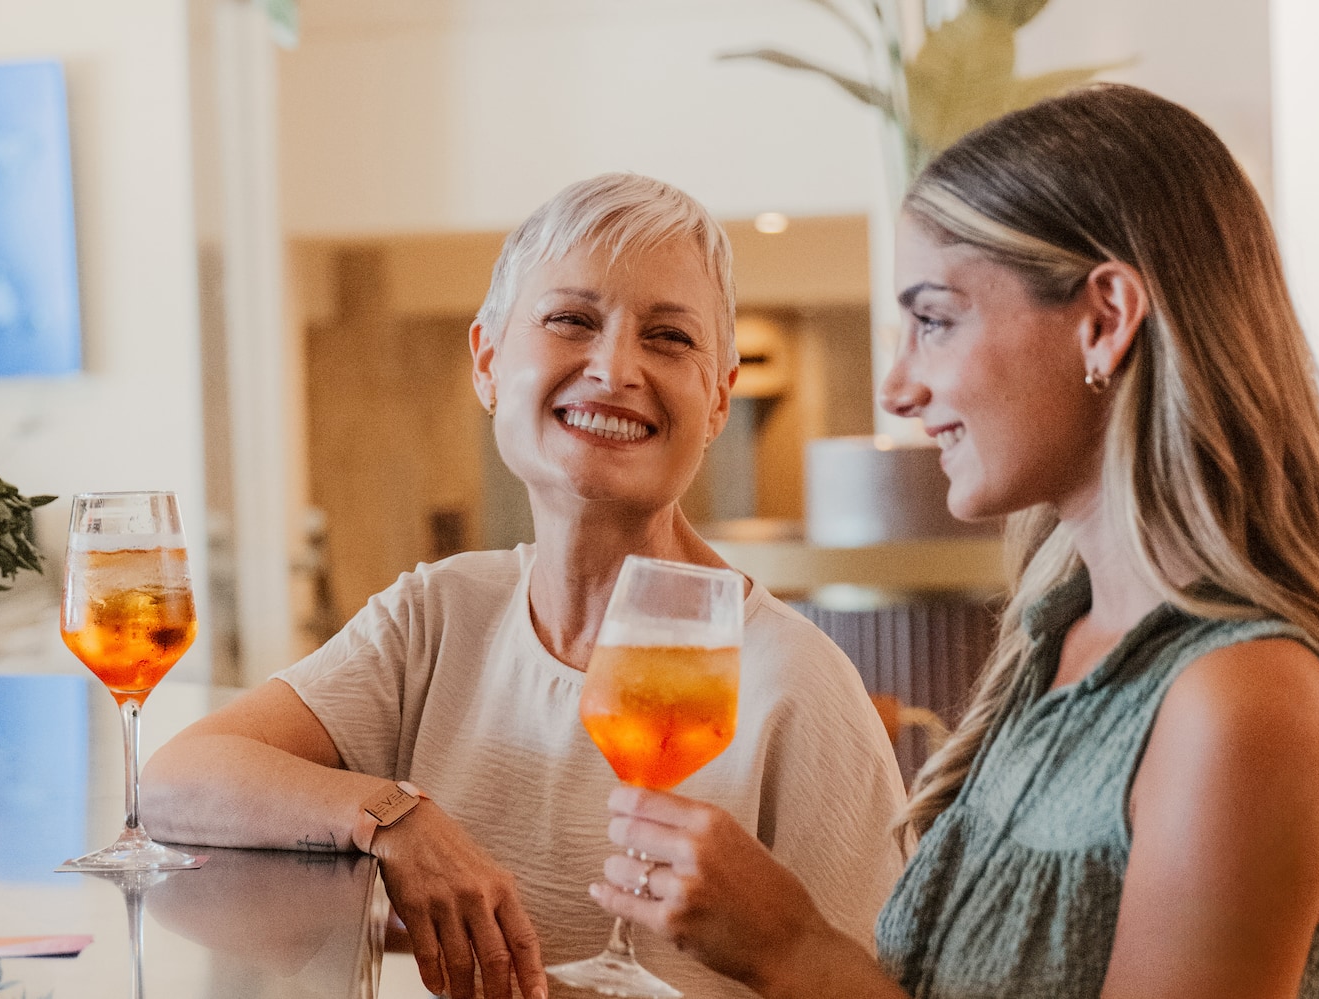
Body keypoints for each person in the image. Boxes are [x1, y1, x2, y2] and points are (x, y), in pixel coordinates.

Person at [588, 85, 1319, 999]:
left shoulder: (1244, 700)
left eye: (934, 320)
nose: (897, 387)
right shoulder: (1058, 639)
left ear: (1105, 318)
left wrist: (791, 947)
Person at [143, 173, 907, 999]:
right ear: (488, 362)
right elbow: (176, 779)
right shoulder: (437, 615)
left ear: (718, 399)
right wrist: (394, 816)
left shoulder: (796, 685)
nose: (614, 368)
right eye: (572, 320)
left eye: (670, 338)